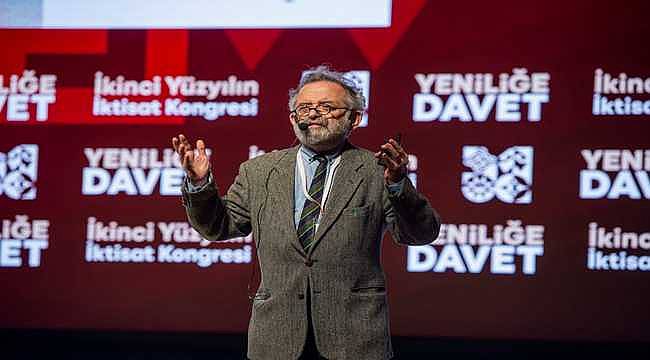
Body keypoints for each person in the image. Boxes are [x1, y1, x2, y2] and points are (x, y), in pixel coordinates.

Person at [172, 65, 440, 360]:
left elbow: (419, 234)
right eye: (305, 108)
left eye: (327, 107)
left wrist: (399, 184)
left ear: (355, 118)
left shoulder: (377, 172)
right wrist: (199, 184)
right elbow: (218, 227)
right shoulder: (258, 171)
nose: (313, 114)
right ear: (292, 118)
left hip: (355, 339)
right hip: (276, 338)